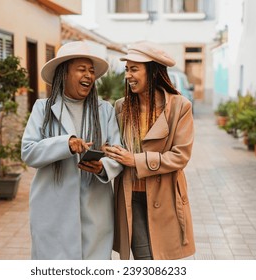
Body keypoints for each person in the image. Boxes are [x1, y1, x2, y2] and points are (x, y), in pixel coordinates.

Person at [21, 41, 123, 260]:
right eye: (81, 69)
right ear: (64, 74)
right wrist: (65, 144)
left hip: (95, 210)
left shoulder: (104, 110)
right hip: (52, 210)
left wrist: (102, 166)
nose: (88, 75)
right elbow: (28, 152)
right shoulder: (43, 109)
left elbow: (118, 151)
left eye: (91, 71)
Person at [105, 41, 195, 260]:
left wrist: (135, 160)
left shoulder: (180, 107)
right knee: (145, 259)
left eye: (134, 69)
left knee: (161, 259)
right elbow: (117, 148)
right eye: (127, 69)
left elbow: (180, 155)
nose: (128, 76)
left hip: (166, 197)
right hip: (130, 196)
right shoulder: (121, 107)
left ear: (153, 71)